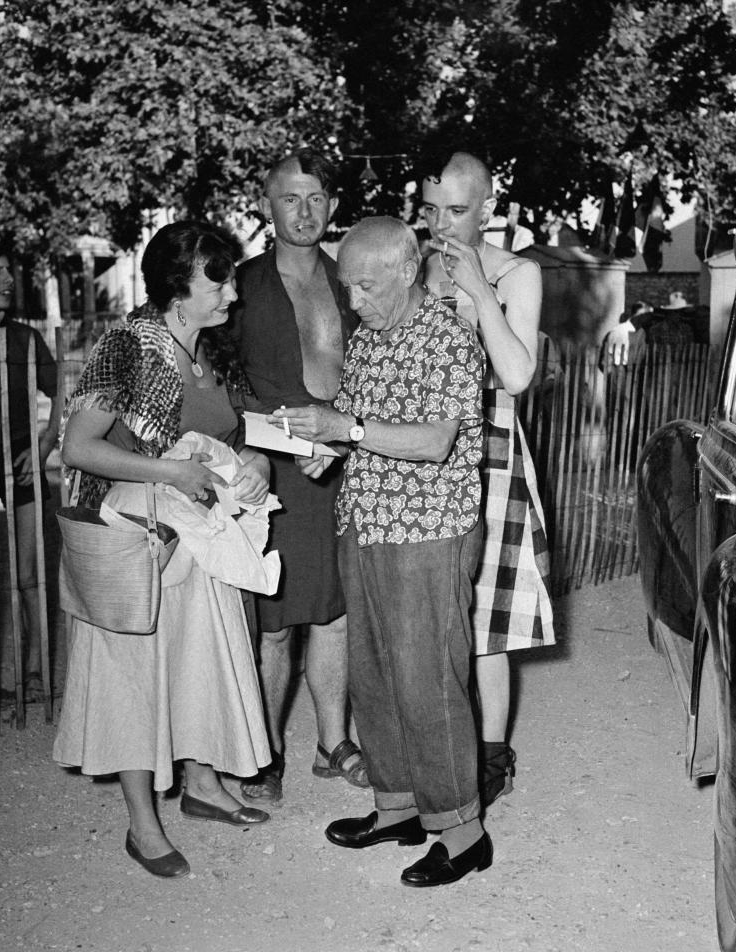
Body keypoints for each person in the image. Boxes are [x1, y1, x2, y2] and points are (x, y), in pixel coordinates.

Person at [53, 221, 274, 879]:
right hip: (136, 540)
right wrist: (172, 473)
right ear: (178, 285)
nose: (233, 291)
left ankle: (201, 785)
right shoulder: (127, 347)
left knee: (195, 668)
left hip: (196, 543)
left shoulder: (209, 350)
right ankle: (142, 824)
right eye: (220, 278)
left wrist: (254, 457)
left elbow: (233, 432)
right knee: (134, 680)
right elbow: (79, 446)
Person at [280, 217, 490, 887]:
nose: (355, 302)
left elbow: (433, 441)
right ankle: (398, 805)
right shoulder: (370, 341)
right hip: (365, 523)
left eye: (367, 286)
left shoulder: (451, 341)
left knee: (428, 680)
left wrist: (351, 428)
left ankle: (462, 832)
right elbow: (355, 424)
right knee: (372, 675)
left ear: (406, 271)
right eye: (348, 289)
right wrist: (326, 448)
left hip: (428, 529)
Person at [229, 149, 366, 801]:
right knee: (274, 622)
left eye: (316, 199)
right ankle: (266, 751)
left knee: (336, 615)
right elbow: (221, 383)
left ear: (333, 206)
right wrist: (279, 437)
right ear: (266, 204)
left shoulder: (352, 282)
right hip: (270, 470)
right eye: (291, 198)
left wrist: (340, 433)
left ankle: (333, 742)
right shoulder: (241, 285)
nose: (305, 211)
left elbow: (374, 371)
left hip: (341, 466)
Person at [421, 151, 555, 805]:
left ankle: (491, 757)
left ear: (488, 208)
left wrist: (477, 290)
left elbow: (518, 374)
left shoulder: (516, 274)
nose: (441, 224)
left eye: (456, 210)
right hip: (420, 455)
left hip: (492, 455)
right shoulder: (412, 266)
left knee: (487, 623)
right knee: (426, 607)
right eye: (429, 209)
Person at [0, 231, 62, 703]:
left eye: (10, 270)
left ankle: (34, 676)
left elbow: (64, 394)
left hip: (20, 458)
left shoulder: (25, 336)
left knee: (29, 574)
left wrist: (44, 443)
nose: (8, 280)